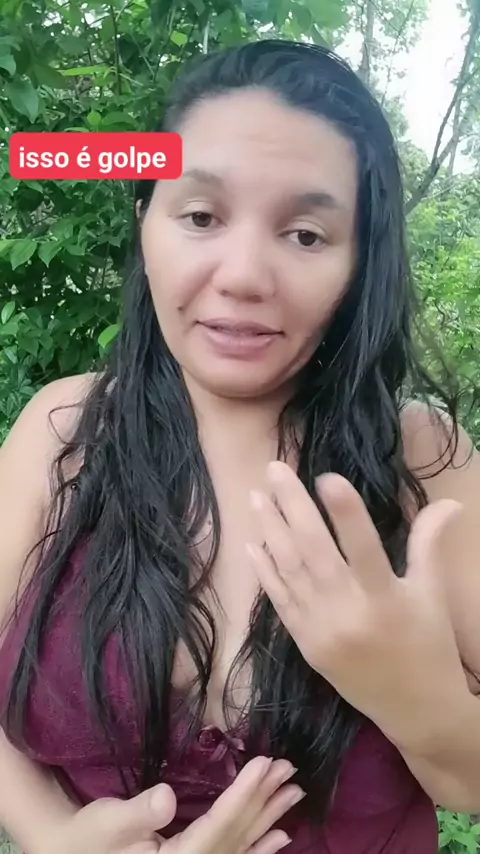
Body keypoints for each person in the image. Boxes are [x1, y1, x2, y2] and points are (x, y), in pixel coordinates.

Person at [1, 37, 480, 854]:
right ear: (145, 223)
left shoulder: (422, 461)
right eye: (201, 217)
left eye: (305, 235)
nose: (245, 275)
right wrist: (52, 837)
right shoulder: (62, 433)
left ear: (360, 263)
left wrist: (417, 698)